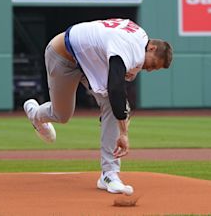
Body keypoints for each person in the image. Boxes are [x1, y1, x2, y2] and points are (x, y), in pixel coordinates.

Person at [23, 18, 173, 195]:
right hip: (63, 55)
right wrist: (123, 132)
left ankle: (109, 174)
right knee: (62, 115)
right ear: (152, 48)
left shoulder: (139, 39)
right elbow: (116, 88)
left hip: (89, 61)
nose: (150, 70)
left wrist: (121, 120)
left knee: (112, 104)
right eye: (154, 64)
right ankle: (35, 114)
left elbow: (119, 95)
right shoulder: (130, 47)